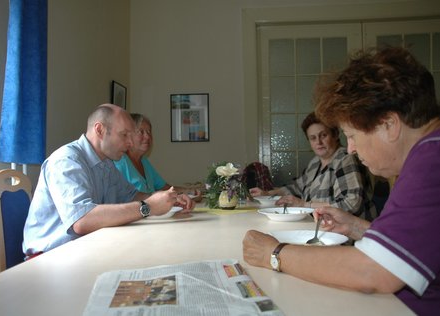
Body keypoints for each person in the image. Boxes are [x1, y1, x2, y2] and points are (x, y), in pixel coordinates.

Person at [242, 47, 440, 315]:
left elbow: (372, 272)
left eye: (352, 135)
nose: (351, 149)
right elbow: (410, 249)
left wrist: (274, 254)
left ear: (389, 125)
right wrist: (356, 227)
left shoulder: (430, 160)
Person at [23, 104, 194, 257]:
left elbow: (131, 195)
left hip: (86, 248)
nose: (130, 142)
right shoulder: (66, 161)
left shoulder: (107, 162)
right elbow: (81, 221)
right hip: (51, 257)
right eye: (124, 135)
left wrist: (168, 199)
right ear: (100, 130)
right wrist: (148, 207)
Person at [250, 112, 376, 220]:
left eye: (323, 135)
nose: (318, 142)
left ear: (335, 135)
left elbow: (351, 204)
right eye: (313, 138)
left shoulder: (345, 159)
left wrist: (305, 205)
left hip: (347, 238)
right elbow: (296, 188)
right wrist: (267, 193)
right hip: (321, 227)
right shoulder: (315, 163)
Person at [114, 113, 202, 200]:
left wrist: (190, 192)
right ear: (128, 136)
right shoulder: (120, 162)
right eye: (141, 132)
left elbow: (165, 188)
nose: (147, 136)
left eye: (149, 132)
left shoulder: (144, 161)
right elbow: (120, 199)